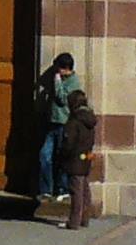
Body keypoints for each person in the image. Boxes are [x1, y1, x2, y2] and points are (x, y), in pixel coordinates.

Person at [34, 52, 84, 203]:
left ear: (66, 68)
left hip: (64, 123)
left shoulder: (73, 83)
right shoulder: (59, 78)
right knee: (45, 155)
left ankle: (63, 189)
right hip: (52, 122)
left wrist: (57, 82)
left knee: (63, 157)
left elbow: (62, 99)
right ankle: (46, 190)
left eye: (59, 68)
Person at [57, 80, 99, 230]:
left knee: (76, 191)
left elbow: (68, 143)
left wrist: (62, 156)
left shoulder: (74, 121)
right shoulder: (90, 120)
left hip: (74, 158)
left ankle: (74, 221)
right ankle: (84, 219)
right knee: (85, 189)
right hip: (86, 156)